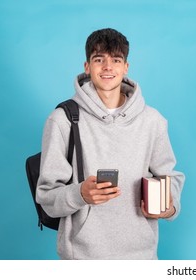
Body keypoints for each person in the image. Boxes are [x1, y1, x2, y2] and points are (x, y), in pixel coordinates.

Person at [36, 28, 185, 259]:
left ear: (126, 67)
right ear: (87, 67)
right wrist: (80, 194)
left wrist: (169, 207)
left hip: (142, 258)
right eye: (99, 59)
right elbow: (47, 197)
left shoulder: (153, 121)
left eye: (115, 60)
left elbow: (170, 177)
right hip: (83, 258)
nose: (107, 67)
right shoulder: (62, 120)